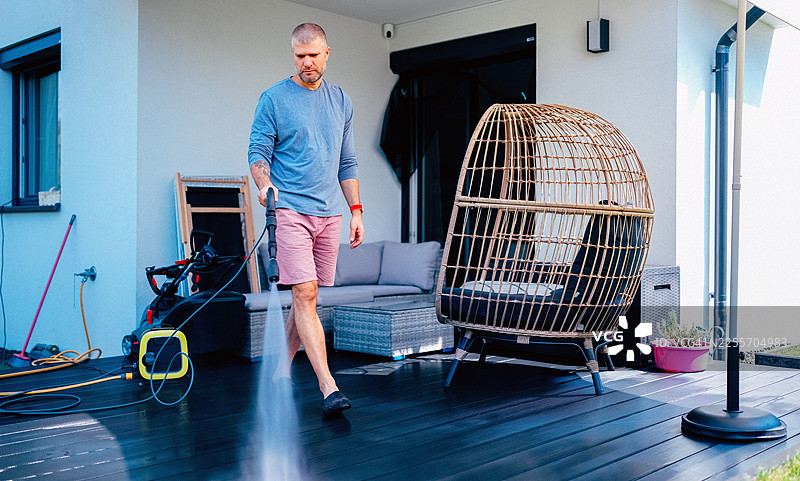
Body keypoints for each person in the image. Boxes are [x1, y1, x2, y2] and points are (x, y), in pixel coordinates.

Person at [248, 23, 364, 417]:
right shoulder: (274, 99)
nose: (307, 62)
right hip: (290, 210)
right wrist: (264, 185)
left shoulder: (342, 101)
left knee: (306, 298)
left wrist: (356, 211)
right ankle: (328, 386)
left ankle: (279, 369)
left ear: (327, 52)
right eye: (300, 56)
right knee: (307, 294)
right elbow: (258, 153)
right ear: (292, 54)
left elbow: (346, 162)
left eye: (313, 55)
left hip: (329, 213)